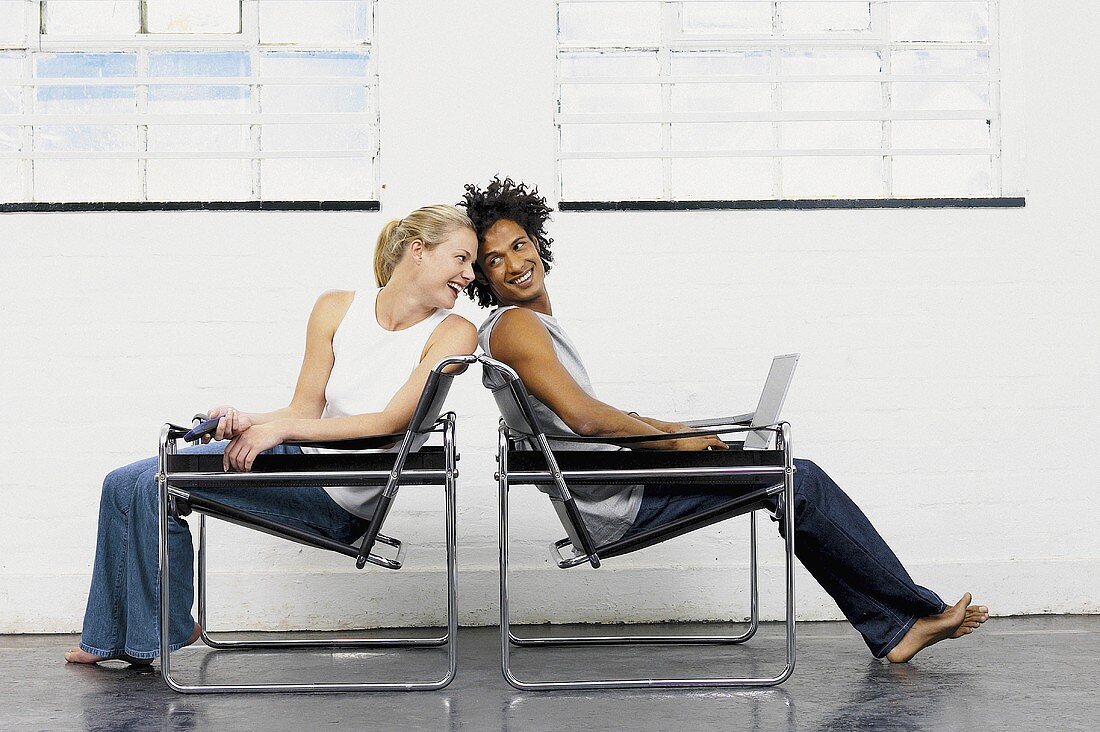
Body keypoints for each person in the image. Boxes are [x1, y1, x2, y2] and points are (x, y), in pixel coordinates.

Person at [459, 177, 989, 663]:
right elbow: (585, 419)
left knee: (779, 471)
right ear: (483, 276)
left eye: (518, 245)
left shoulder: (525, 326)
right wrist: (674, 448)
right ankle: (907, 619)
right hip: (616, 501)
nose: (512, 263)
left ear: (537, 243)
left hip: (613, 485)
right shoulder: (518, 327)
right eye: (493, 260)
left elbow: (587, 418)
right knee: (793, 477)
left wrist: (674, 430)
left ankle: (897, 623)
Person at [65, 205, 478, 666]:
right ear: (418, 251)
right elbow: (303, 409)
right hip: (298, 459)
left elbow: (390, 423)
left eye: (473, 264)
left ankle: (152, 638)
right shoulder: (339, 307)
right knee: (122, 481)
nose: (469, 274)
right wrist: (249, 420)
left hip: (339, 495)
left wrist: (278, 430)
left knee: (158, 482)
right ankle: (109, 636)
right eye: (461, 258)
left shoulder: (455, 332)